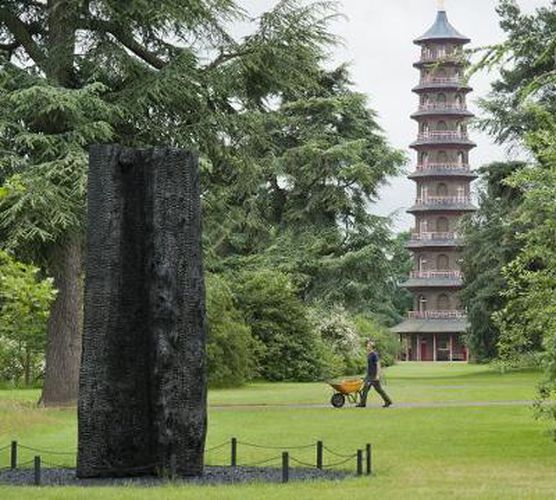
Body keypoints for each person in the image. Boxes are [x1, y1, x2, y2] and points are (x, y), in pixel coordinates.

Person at [357, 340, 393, 408]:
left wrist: (377, 375)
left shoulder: (374, 354)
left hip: (373, 376)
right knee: (370, 389)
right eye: (367, 345)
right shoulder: (369, 354)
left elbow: (378, 364)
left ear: (371, 347)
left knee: (373, 389)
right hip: (369, 375)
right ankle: (388, 401)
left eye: (368, 345)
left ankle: (363, 403)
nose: (367, 346)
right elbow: (370, 366)